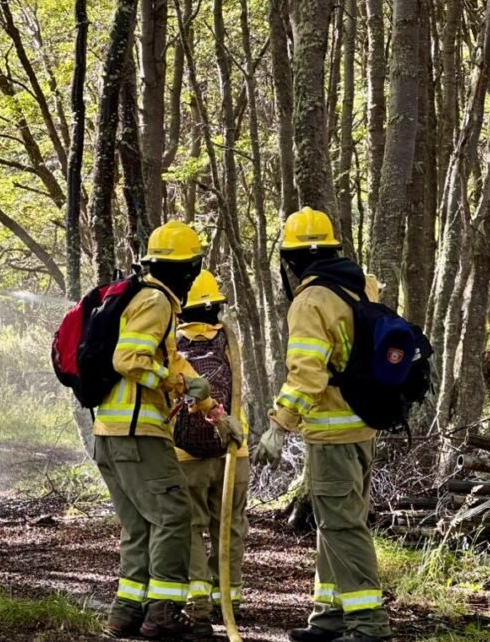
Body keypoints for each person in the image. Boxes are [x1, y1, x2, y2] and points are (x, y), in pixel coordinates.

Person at [254, 207, 392, 642]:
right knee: (336, 523)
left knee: (342, 526)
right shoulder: (360, 287)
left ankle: (368, 624)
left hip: (332, 430)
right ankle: (330, 615)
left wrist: (279, 427)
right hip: (362, 426)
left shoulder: (311, 301)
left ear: (292, 261)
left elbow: (307, 374)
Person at [95, 220, 218, 640]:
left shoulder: (142, 297)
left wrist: (213, 410)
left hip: (110, 433)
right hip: (139, 432)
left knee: (140, 524)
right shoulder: (157, 301)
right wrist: (177, 385)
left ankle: (126, 610)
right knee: (174, 515)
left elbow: (172, 363)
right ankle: (162, 611)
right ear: (186, 269)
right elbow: (129, 360)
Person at [173, 270, 250, 626]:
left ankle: (198, 601)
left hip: (183, 454)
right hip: (233, 448)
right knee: (229, 525)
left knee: (190, 526)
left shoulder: (172, 344)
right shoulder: (231, 340)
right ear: (215, 306)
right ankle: (229, 598)